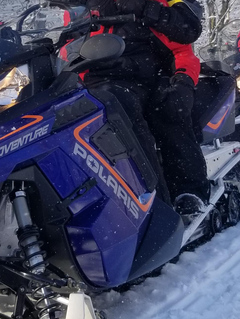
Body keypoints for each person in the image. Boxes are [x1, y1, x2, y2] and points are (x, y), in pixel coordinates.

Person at [83, 0, 209, 218]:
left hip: (150, 76)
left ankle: (175, 198)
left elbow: (185, 35)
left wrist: (148, 9)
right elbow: (74, 41)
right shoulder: (92, 7)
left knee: (166, 109)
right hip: (99, 79)